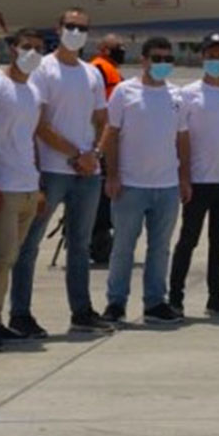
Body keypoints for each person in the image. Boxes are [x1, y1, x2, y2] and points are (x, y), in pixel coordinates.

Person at [12, 7, 114, 337]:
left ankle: (81, 311)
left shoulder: (91, 73)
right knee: (30, 244)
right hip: (52, 170)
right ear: (58, 28)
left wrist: (95, 154)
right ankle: (20, 313)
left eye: (82, 28)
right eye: (71, 26)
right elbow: (39, 124)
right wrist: (75, 155)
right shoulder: (43, 69)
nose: (76, 32)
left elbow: (103, 120)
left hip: (87, 172)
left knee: (81, 245)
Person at [103, 37, 191, 325]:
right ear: (143, 60)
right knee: (123, 247)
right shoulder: (124, 92)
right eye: (157, 58)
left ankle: (155, 302)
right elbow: (111, 135)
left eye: (168, 59)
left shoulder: (178, 96)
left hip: (166, 186)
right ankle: (116, 302)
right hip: (131, 185)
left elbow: (182, 139)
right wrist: (112, 175)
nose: (162, 64)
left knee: (160, 248)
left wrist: (184, 178)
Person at [0, 28, 48, 351]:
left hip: (27, 185)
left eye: (38, 48)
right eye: (26, 47)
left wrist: (38, 183)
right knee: (2, 256)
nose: (32, 53)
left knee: (12, 257)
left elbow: (30, 138)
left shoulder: (33, 90)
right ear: (12, 48)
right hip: (3, 186)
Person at [168, 33, 219, 318]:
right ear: (202, 57)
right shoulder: (187, 94)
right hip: (198, 181)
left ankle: (216, 296)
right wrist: (183, 177)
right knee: (188, 240)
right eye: (211, 55)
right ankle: (175, 297)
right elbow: (180, 137)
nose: (216, 60)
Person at [87, 33, 126, 265]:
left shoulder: (110, 69)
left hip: (111, 135)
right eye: (117, 47)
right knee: (101, 199)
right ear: (103, 49)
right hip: (104, 138)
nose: (122, 51)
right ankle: (97, 240)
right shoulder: (99, 69)